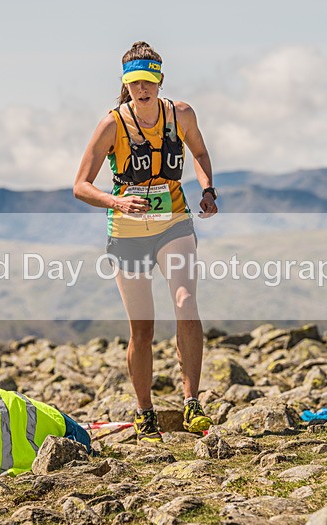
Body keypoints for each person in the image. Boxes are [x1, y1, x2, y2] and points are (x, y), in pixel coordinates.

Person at [73, 41, 217, 442]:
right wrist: (116, 200)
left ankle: (191, 403)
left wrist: (208, 190)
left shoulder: (181, 114)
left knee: (186, 305)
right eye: (135, 82)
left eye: (149, 80)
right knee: (143, 329)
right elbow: (80, 186)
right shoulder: (111, 124)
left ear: (160, 80)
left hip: (174, 222)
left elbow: (201, 153)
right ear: (126, 83)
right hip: (127, 233)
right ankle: (145, 411)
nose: (143, 88)